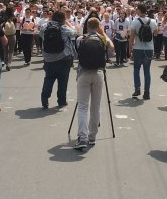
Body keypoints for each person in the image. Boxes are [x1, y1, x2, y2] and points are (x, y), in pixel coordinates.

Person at [73, 17, 114, 151]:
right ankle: (92, 137)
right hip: (98, 73)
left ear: (86, 26)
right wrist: (103, 34)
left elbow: (76, 55)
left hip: (83, 73)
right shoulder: (102, 39)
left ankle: (82, 138)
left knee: (83, 107)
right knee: (95, 107)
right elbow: (111, 50)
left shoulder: (80, 39)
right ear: (98, 26)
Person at [39, 11, 77, 109]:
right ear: (62, 19)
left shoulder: (45, 27)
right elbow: (75, 33)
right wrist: (68, 23)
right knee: (63, 80)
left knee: (49, 78)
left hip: (48, 58)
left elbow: (40, 35)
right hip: (63, 58)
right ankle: (61, 101)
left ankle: (44, 98)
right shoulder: (63, 28)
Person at [128, 4, 158, 100]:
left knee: (136, 69)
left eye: (137, 10)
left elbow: (132, 37)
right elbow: (156, 33)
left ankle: (137, 88)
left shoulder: (135, 22)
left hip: (138, 48)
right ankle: (147, 93)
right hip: (149, 48)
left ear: (140, 11)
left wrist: (130, 49)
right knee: (147, 71)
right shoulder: (152, 21)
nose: (136, 11)